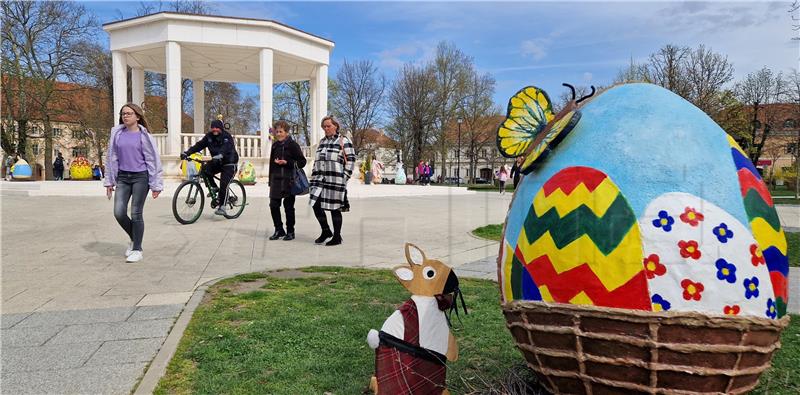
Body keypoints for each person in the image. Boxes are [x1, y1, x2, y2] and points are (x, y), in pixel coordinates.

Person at [104, 103, 164, 263]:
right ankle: (135, 238)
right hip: (123, 177)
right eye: (123, 113)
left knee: (136, 213)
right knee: (119, 212)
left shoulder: (145, 136)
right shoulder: (117, 134)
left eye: (129, 113)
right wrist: (109, 181)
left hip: (140, 178)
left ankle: (137, 249)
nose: (125, 116)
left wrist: (156, 185)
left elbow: (153, 161)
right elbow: (110, 158)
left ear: (137, 116)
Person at [309, 115, 356, 246]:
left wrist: (344, 177)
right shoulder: (322, 142)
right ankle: (326, 231)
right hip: (319, 180)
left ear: (336, 126)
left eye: (328, 126)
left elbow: (351, 160)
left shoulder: (343, 140)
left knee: (334, 209)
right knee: (316, 205)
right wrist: (313, 176)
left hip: (335, 180)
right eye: (324, 126)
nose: (326, 128)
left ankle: (337, 237)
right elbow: (317, 161)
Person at [181, 119, 240, 216]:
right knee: (205, 170)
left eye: (217, 127)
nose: (214, 129)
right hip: (217, 161)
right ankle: (214, 188)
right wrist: (187, 153)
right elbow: (199, 145)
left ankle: (222, 207)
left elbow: (226, 147)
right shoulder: (209, 137)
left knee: (224, 184)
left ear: (221, 128)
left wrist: (221, 154)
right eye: (213, 127)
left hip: (229, 163)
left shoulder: (227, 136)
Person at [268, 120, 307, 241]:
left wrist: (287, 162)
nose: (278, 134)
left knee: (288, 206)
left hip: (289, 180)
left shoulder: (293, 145)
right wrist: (270, 179)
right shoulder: (274, 145)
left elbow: (302, 162)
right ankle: (278, 229)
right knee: (274, 205)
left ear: (286, 132)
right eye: (277, 131)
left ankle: (290, 231)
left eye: (281, 131)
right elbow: (271, 164)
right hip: (276, 180)